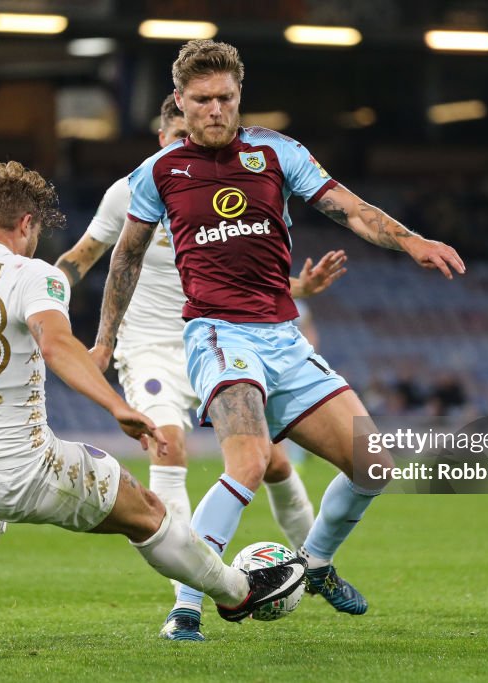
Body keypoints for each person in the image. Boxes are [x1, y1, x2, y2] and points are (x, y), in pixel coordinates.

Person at [0, 161, 306, 656]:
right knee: (147, 513)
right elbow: (57, 346)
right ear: (26, 225)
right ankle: (236, 593)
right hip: (28, 467)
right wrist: (115, 405)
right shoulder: (33, 274)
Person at [93, 40, 465, 640]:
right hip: (217, 333)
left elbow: (354, 210)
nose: (215, 110)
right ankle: (186, 606)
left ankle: (313, 563)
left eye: (226, 99)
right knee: (250, 461)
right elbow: (125, 260)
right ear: (181, 103)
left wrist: (414, 241)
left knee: (374, 462)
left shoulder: (276, 152)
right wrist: (104, 341)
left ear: (239, 96)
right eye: (202, 100)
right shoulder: (158, 173)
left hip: (283, 337)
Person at [55, 95, 344, 641]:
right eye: (166, 140)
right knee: (169, 444)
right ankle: (186, 601)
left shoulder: (216, 186)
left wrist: (303, 288)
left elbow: (241, 272)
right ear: (162, 136)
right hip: (150, 348)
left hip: (218, 337)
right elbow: (83, 256)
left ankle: (317, 568)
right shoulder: (134, 189)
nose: (173, 149)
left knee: (274, 463)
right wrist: (39, 289)